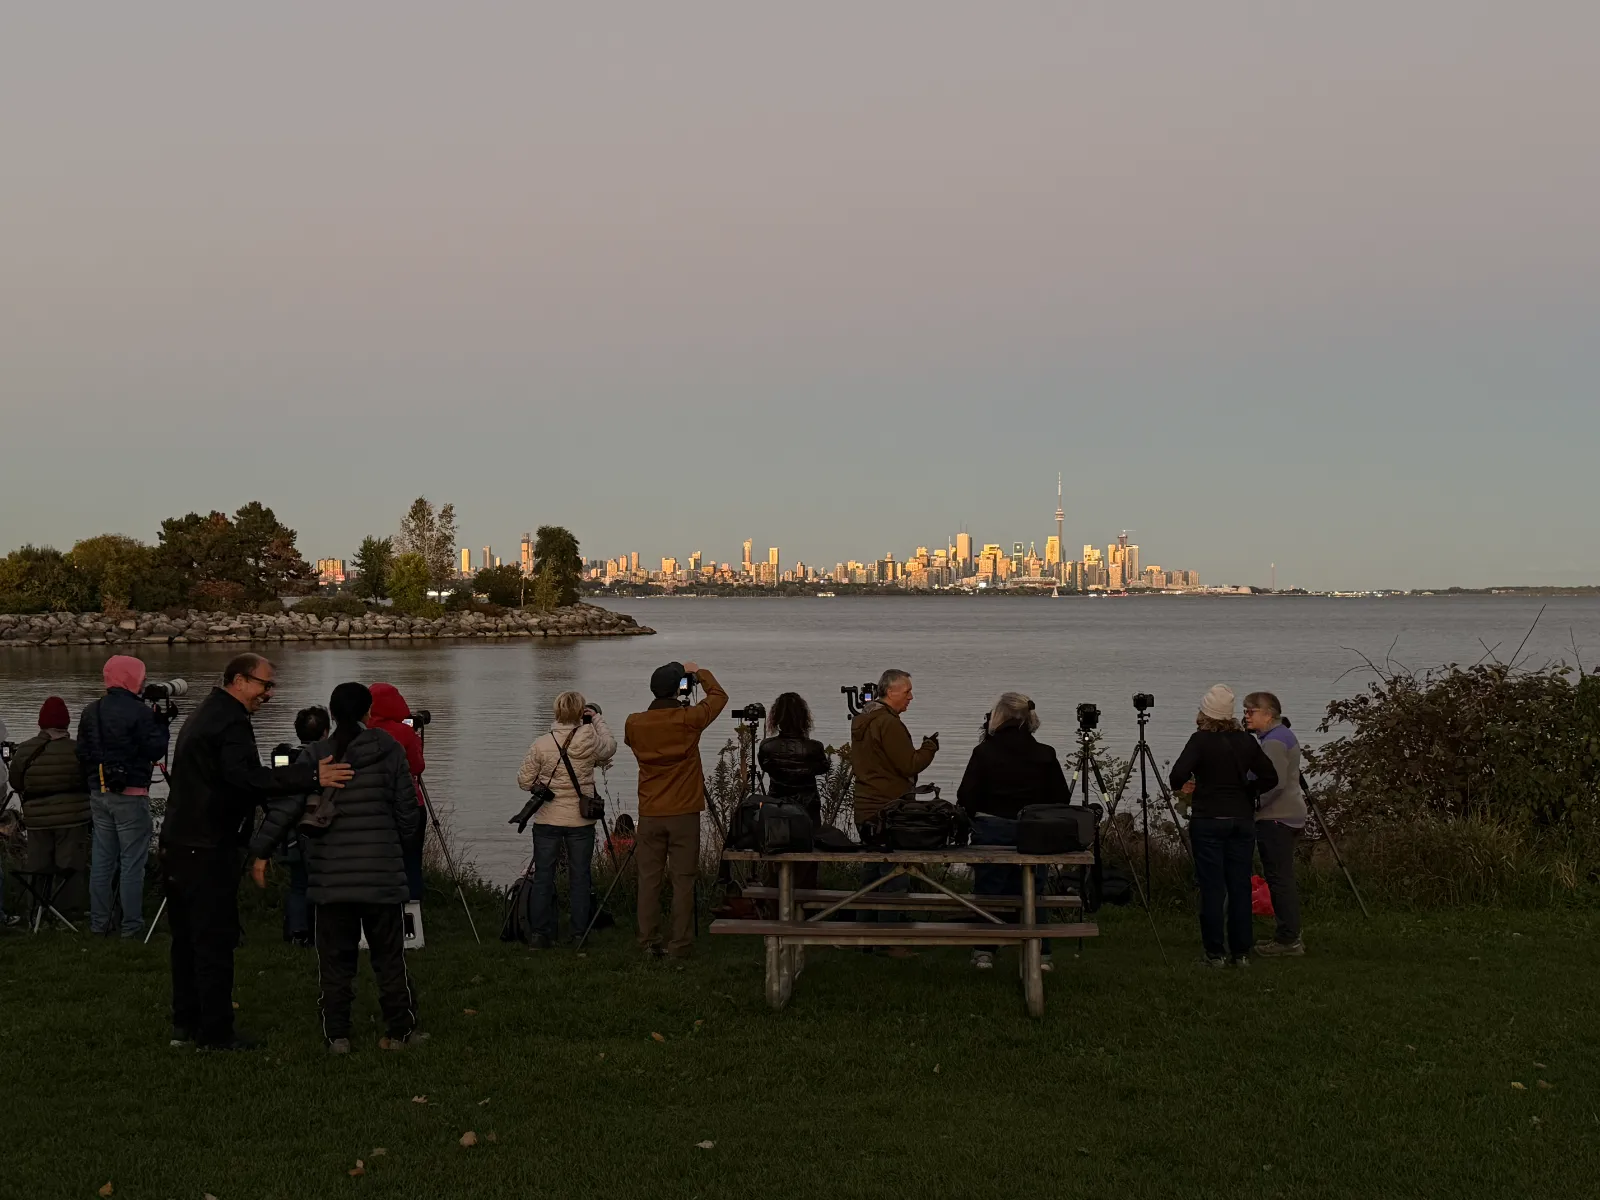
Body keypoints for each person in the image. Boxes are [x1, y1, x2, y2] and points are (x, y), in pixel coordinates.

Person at [161, 653, 353, 1050]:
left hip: (180, 840)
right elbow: (247, 779)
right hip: (207, 844)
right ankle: (215, 1031)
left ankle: (186, 1021)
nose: (269, 692)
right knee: (214, 939)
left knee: (186, 937)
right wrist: (310, 776)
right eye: (265, 684)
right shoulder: (230, 722)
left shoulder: (204, 714)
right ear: (238, 680)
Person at [250, 683, 423, 1054]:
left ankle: (338, 1036)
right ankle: (400, 1031)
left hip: (330, 879)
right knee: (389, 959)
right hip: (381, 877)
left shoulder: (314, 754)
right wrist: (397, 846)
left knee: (335, 963)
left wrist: (261, 850)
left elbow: (286, 808)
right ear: (368, 712)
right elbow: (408, 812)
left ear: (331, 714)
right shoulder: (388, 749)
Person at [956, 692, 1069, 971]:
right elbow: (1061, 798)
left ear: (999, 717)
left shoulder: (984, 752)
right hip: (1033, 833)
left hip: (991, 829)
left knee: (988, 889)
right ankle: (1040, 952)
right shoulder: (1045, 753)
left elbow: (965, 795)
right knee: (1035, 890)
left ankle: (985, 949)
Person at [624, 660, 727, 958]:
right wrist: (699, 672)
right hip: (683, 812)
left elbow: (633, 742)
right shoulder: (688, 720)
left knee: (648, 879)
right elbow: (719, 697)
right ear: (678, 689)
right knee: (683, 880)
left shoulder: (634, 722)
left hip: (650, 813)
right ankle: (679, 944)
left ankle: (647, 941)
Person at [1169, 685, 1277, 968]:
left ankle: (1214, 952)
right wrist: (1248, 790)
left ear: (1205, 713)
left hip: (1209, 819)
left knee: (1213, 888)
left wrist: (1189, 783)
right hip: (1241, 820)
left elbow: (1177, 774)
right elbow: (1270, 776)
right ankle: (1241, 952)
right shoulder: (1246, 742)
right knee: (1240, 886)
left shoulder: (1200, 741)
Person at [77, 655, 172, 937]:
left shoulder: (90, 711)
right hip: (131, 794)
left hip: (99, 792)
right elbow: (155, 750)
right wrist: (163, 723)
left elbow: (82, 753)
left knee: (103, 862)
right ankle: (132, 926)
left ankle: (100, 923)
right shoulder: (141, 712)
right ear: (133, 678)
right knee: (132, 862)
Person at [515, 691, 617, 947]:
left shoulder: (542, 743)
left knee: (543, 877)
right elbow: (610, 748)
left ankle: (540, 934)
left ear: (556, 712)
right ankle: (578, 934)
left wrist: (543, 787)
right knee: (580, 877)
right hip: (581, 822)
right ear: (582, 712)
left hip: (547, 820)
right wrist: (597, 720)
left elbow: (524, 781)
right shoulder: (591, 741)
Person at [849, 668, 939, 954]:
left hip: (866, 806)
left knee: (873, 871)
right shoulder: (888, 724)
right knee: (894, 873)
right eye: (907, 691)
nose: (911, 697)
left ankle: (863, 937)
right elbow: (909, 764)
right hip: (888, 811)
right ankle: (889, 940)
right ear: (890, 692)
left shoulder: (863, 720)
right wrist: (930, 747)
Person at [7, 697, 91, 915]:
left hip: (37, 820)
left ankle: (35, 909)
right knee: (70, 867)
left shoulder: (25, 751)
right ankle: (67, 913)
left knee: (37, 865)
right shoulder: (78, 751)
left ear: (40, 723)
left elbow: (16, 783)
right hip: (73, 818)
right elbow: (89, 781)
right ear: (66, 723)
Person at [1244, 691, 1307, 957]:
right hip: (1286, 815)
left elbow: (1275, 782)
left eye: (1250, 712)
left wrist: (1254, 804)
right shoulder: (1278, 737)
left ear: (1268, 714)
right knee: (1281, 877)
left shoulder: (1274, 742)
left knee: (1279, 879)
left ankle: (1288, 940)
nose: (1245, 716)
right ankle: (1289, 935)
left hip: (1276, 817)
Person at [757, 692, 830, 892]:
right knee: (808, 859)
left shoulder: (767, 747)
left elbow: (766, 766)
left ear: (776, 718)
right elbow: (823, 767)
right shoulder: (814, 748)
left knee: (776, 853)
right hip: (808, 809)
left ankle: (775, 901)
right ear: (804, 718)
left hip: (777, 808)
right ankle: (805, 903)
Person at [367, 683, 427, 907]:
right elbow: (418, 767)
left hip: (372, 805)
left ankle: (380, 906)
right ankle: (412, 912)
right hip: (409, 803)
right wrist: (416, 739)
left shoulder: (361, 731)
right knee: (411, 860)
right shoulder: (404, 732)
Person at [279, 705, 331, 946]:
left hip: (290, 830)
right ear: (326, 732)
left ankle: (296, 932)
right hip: (319, 831)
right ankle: (319, 931)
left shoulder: (285, 756)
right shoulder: (328, 759)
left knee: (298, 884)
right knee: (320, 882)